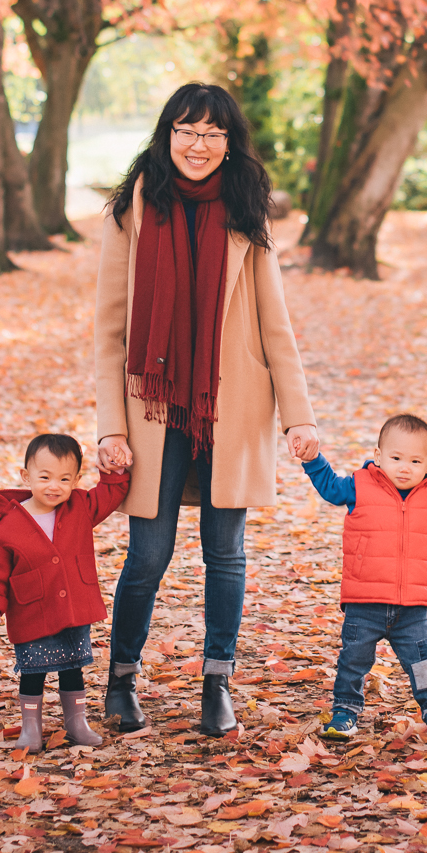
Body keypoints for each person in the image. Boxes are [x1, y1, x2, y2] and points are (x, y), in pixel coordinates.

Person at [94, 82, 319, 738]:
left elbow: (276, 323)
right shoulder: (132, 210)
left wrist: (298, 415)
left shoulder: (248, 207)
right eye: (187, 130)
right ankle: (122, 677)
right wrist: (110, 425)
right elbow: (109, 328)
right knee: (149, 553)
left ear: (229, 142)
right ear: (167, 135)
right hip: (153, 406)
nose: (199, 144)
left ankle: (217, 683)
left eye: (212, 133)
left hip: (232, 401)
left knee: (226, 551)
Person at [300, 414, 427, 744]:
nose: (405, 467)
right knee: (353, 662)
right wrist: (312, 460)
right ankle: (344, 714)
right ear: (378, 457)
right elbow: (330, 488)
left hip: (412, 608)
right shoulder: (360, 486)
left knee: (423, 663)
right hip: (365, 603)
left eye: (415, 460)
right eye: (396, 458)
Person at [0, 433, 132, 751]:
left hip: (72, 610)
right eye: (44, 477)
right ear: (26, 476)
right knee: (33, 673)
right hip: (32, 611)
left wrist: (114, 470)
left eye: (64, 478)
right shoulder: (7, 526)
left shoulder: (80, 507)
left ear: (75, 480)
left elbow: (110, 494)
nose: (54, 486)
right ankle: (31, 729)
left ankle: (77, 724)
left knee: (72, 669)